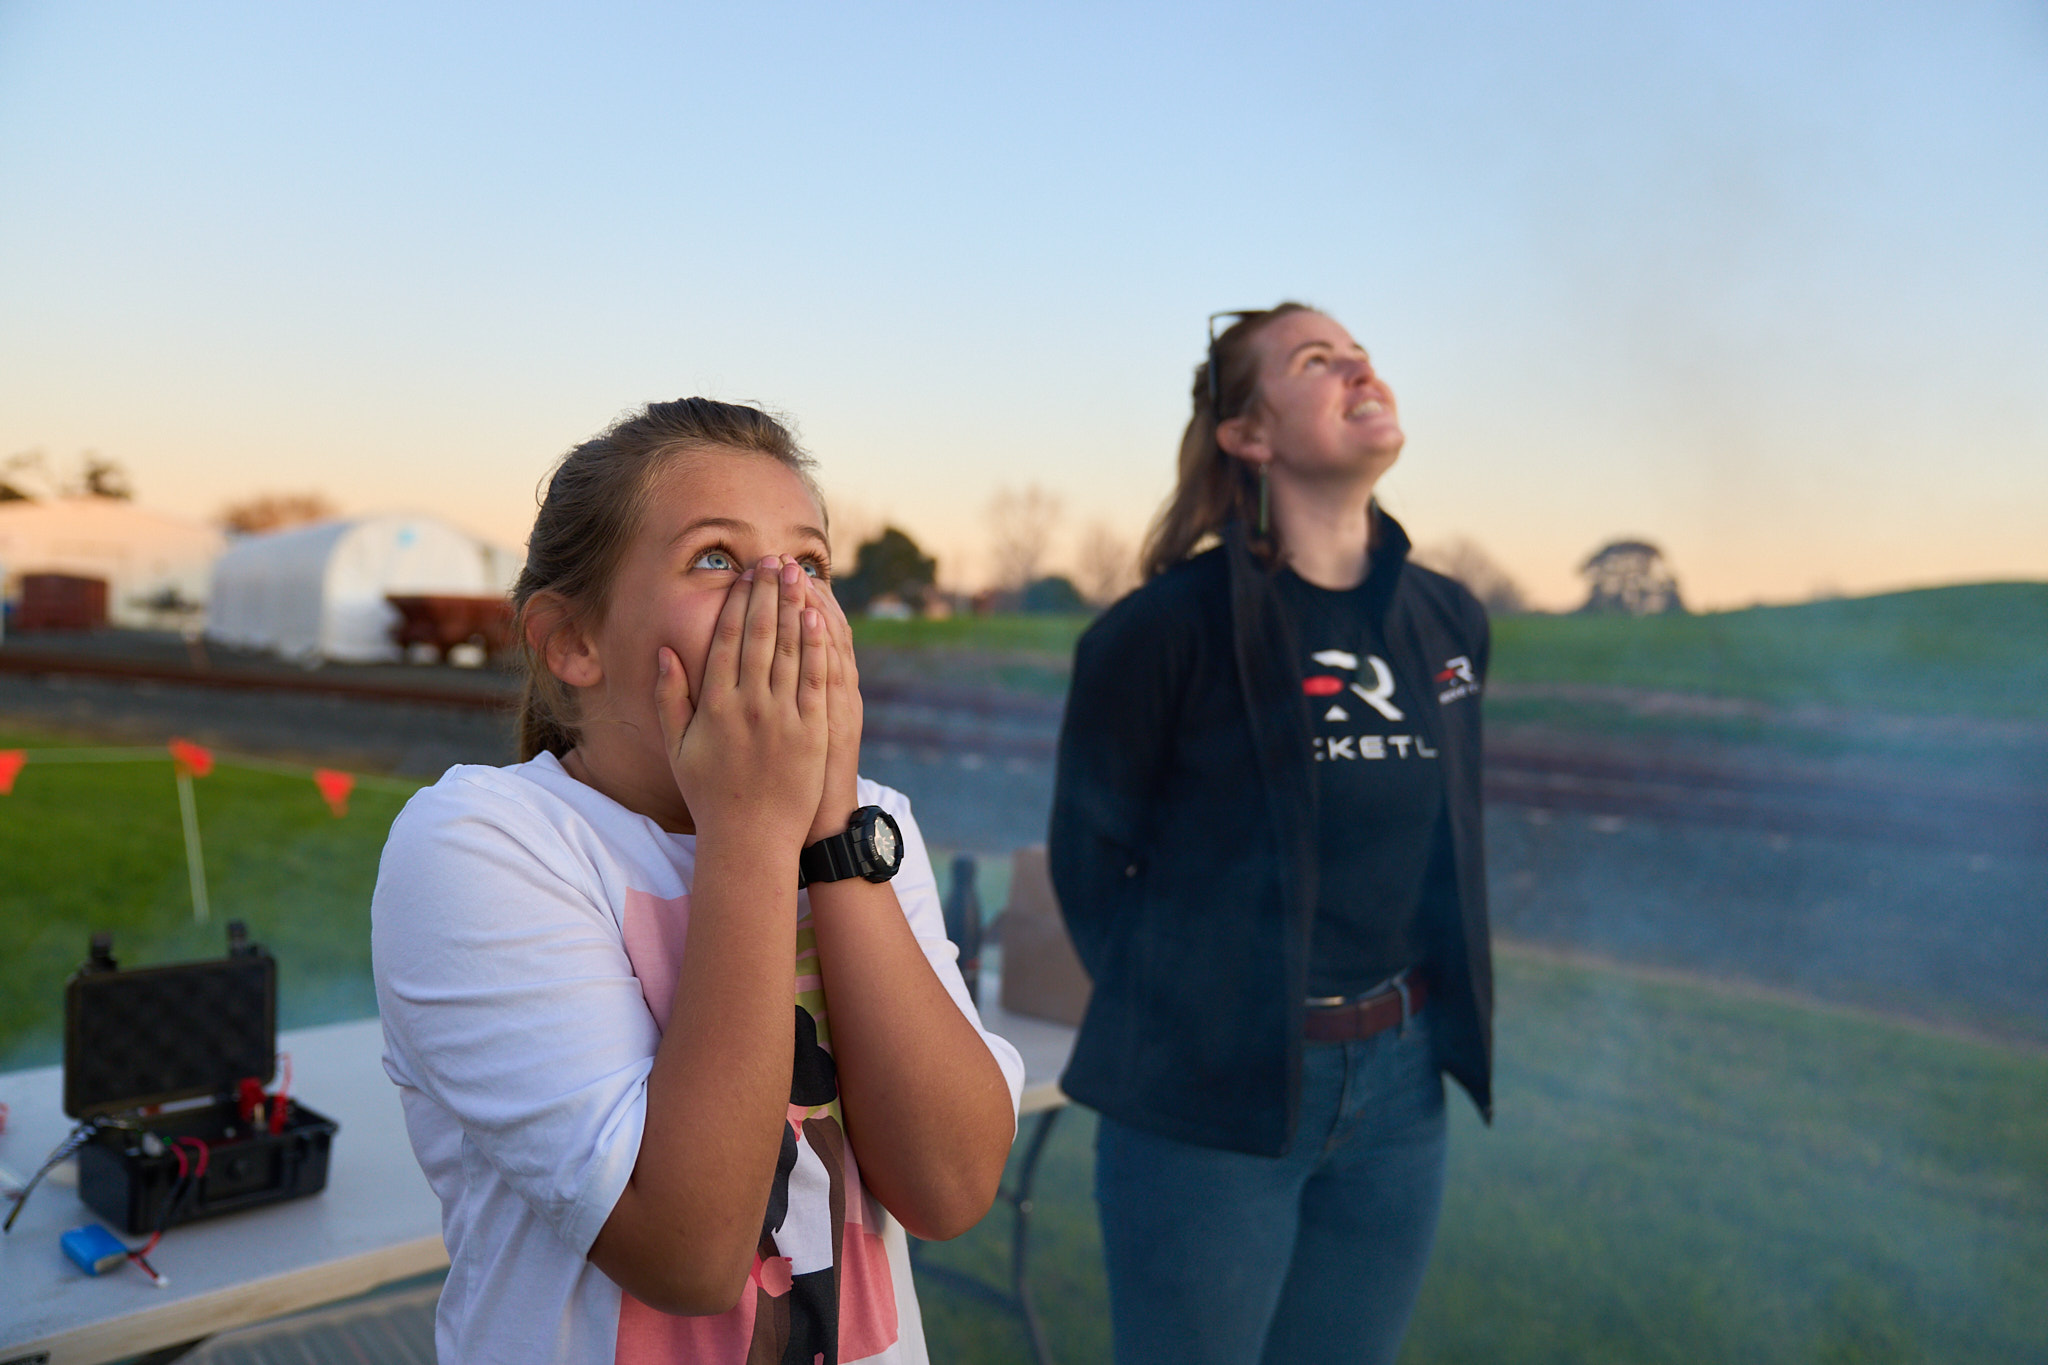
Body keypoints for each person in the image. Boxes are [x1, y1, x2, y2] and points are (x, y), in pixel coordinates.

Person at [372, 398, 1024, 1364]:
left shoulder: (868, 821)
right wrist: (753, 828)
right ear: (573, 643)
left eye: (809, 563)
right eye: (717, 557)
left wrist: (834, 832)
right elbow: (691, 1254)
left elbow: (950, 1187)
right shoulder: (484, 839)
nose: (788, 597)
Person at [1049, 304, 1494, 1365]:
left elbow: (1444, 850)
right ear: (1247, 436)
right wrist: (1198, 1014)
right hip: (1208, 1097)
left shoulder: (1447, 619)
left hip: (1400, 1088)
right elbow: (1086, 865)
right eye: (1314, 360)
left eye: (1359, 354)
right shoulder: (1156, 635)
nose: (1357, 368)